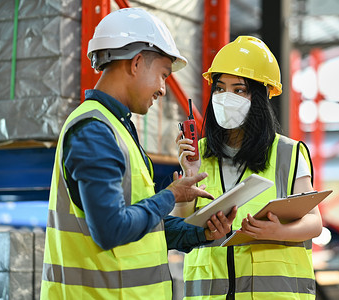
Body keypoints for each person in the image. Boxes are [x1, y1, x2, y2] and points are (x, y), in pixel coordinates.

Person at [40, 8, 236, 299]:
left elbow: (146, 226)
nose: (164, 90)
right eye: (163, 75)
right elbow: (111, 229)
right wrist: (171, 195)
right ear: (136, 63)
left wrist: (202, 233)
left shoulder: (117, 129)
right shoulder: (95, 132)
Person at [174, 36, 323, 300]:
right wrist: (189, 175)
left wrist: (280, 232)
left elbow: (314, 222)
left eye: (239, 89)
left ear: (260, 95)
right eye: (219, 88)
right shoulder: (200, 153)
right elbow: (181, 226)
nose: (225, 97)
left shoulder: (287, 153)